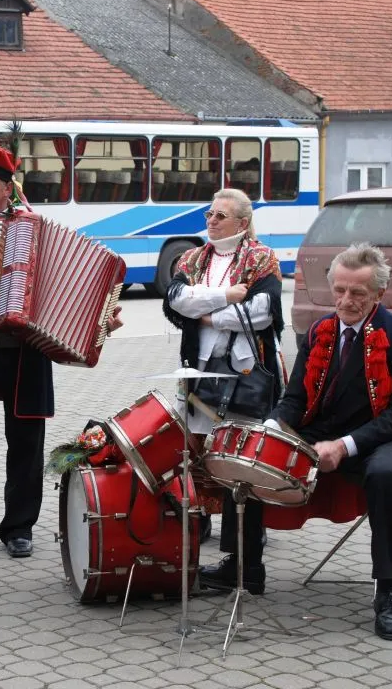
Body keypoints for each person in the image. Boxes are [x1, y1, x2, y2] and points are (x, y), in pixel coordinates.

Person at [198, 242, 392, 641]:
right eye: (339, 290)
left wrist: (344, 446)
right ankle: (244, 567)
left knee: (386, 473)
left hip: (379, 437)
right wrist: (272, 427)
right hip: (320, 431)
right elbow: (295, 399)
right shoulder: (318, 331)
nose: (345, 301)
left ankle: (388, 591)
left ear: (379, 294)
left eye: (357, 293)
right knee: (249, 451)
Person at [0, 139, 122, 561]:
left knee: (27, 446)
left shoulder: (35, 227)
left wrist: (99, 319)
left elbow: (75, 286)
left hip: (26, 353)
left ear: (7, 188)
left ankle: (19, 527)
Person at [164, 188, 285, 548]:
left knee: (239, 452)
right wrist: (225, 297)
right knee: (196, 449)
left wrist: (207, 317)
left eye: (220, 215)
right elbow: (176, 299)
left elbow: (263, 312)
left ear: (242, 222)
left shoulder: (262, 258)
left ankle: (244, 534)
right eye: (209, 214)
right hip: (198, 368)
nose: (211, 221)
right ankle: (198, 520)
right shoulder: (192, 258)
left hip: (244, 372)